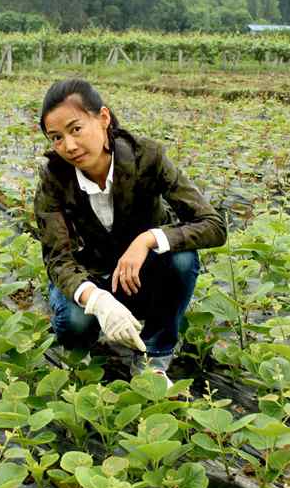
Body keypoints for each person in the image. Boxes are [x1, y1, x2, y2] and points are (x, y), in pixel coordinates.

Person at [33, 78, 227, 385]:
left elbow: (213, 225)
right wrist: (98, 301)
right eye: (56, 137)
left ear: (104, 118)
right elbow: (58, 260)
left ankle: (154, 355)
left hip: (139, 274)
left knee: (182, 259)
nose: (68, 146)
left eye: (76, 129)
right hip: (90, 274)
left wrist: (147, 239)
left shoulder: (146, 158)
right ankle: (82, 351)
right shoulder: (54, 179)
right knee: (74, 321)